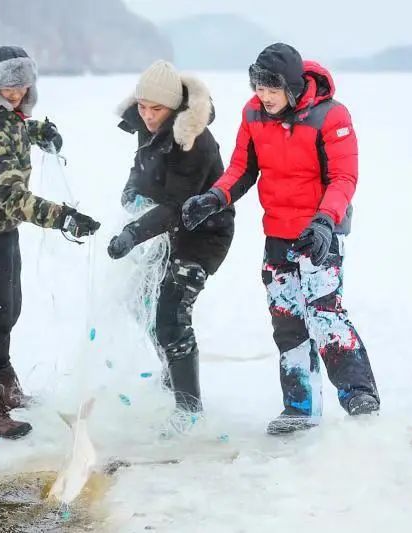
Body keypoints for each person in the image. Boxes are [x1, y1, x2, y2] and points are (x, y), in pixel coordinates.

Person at [182, 43, 380, 435]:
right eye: (258, 87)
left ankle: (360, 395)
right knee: (287, 319)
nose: (263, 96)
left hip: (321, 232)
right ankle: (299, 406)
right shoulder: (253, 113)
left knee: (325, 313)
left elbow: (344, 177)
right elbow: (241, 168)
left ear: (291, 87)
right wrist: (214, 198)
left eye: (271, 89)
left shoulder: (330, 115)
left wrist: (325, 222)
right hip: (278, 233)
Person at [0, 46, 100, 439]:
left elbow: (9, 128)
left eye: (22, 84)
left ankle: (5, 382)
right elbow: (11, 195)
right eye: (9, 86)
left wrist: (36, 131)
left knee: (9, 309)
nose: (16, 93)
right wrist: (64, 216)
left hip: (2, 228)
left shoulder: (2, 115)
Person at [108, 60, 235, 417]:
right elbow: (141, 170)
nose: (147, 116)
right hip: (166, 230)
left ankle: (189, 409)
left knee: (172, 315)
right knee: (139, 299)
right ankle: (171, 373)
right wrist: (131, 191)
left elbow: (178, 206)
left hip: (203, 233)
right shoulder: (148, 125)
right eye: (143, 108)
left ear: (174, 106)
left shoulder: (193, 140)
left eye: (156, 109)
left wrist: (133, 233)